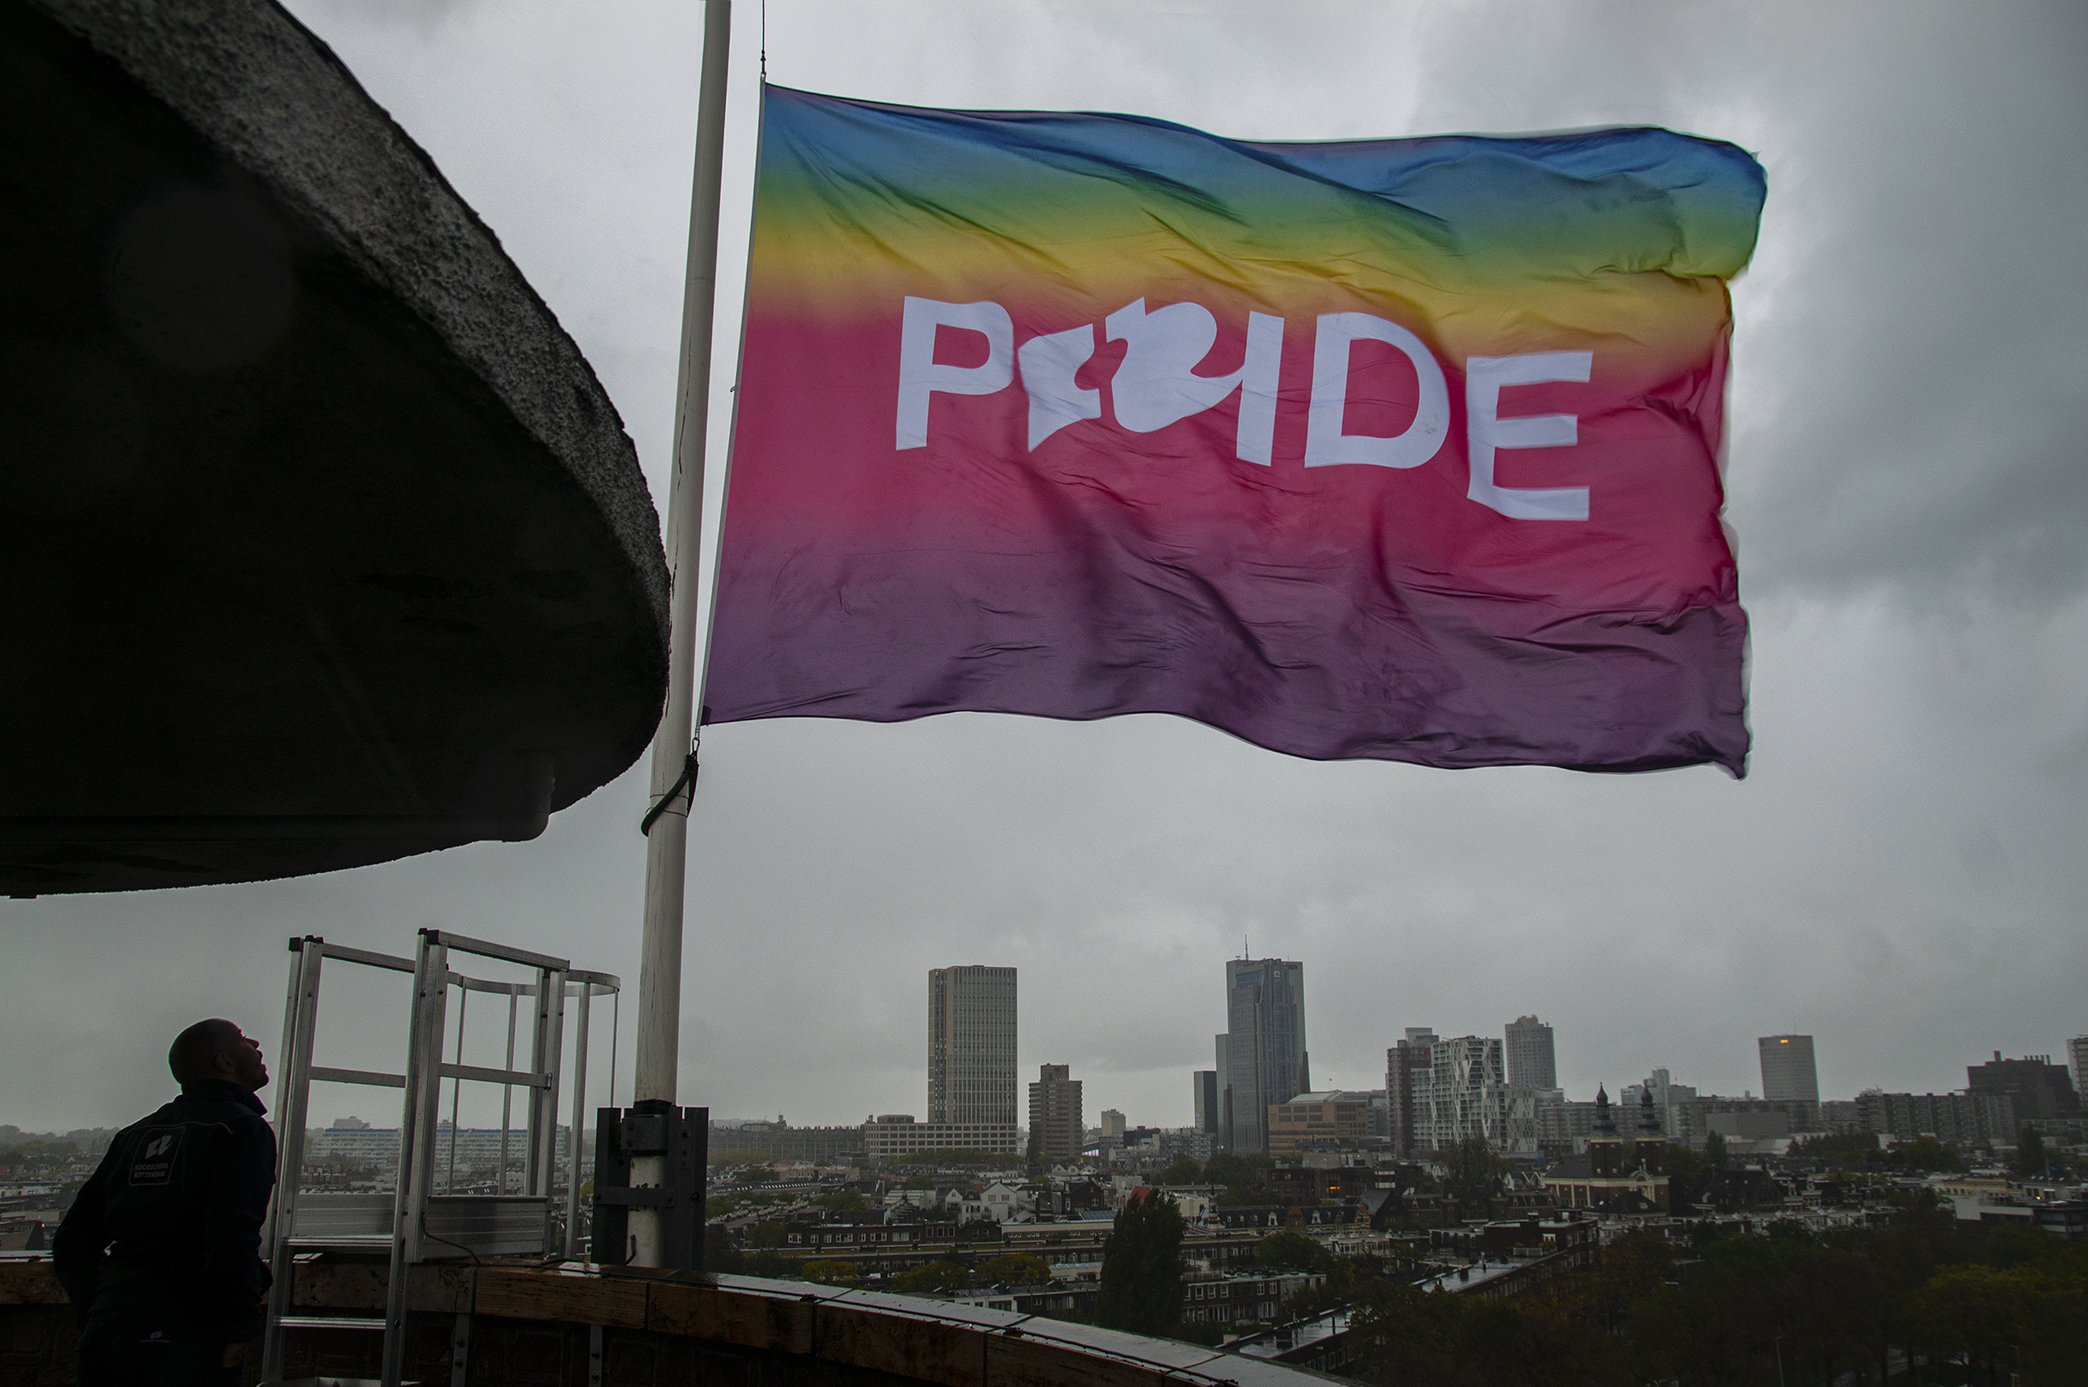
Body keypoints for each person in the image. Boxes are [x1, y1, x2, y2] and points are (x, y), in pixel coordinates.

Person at [54, 1020, 277, 1386]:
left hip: (111, 1328)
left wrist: (101, 1308)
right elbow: (230, 1237)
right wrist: (238, 1326)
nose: (254, 1043)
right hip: (189, 1333)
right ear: (224, 1063)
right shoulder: (241, 1130)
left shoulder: (136, 1134)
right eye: (241, 1039)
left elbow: (72, 1239)